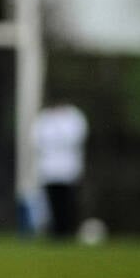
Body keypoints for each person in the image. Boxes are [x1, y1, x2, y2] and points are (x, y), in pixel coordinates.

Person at [33, 99, 88, 240]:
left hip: (68, 168)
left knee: (67, 201)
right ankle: (55, 231)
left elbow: (76, 138)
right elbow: (37, 140)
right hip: (49, 169)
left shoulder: (74, 117)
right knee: (52, 202)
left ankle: (68, 230)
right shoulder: (44, 118)